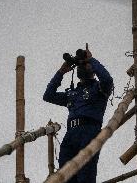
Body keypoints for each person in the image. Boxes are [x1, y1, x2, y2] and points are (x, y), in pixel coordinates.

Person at [43, 45, 113, 183]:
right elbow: (48, 95)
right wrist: (61, 72)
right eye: (83, 64)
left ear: (93, 70)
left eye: (86, 65)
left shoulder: (99, 88)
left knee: (85, 176)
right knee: (65, 175)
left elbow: (107, 80)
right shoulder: (72, 93)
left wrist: (91, 60)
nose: (83, 66)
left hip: (89, 132)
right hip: (71, 135)